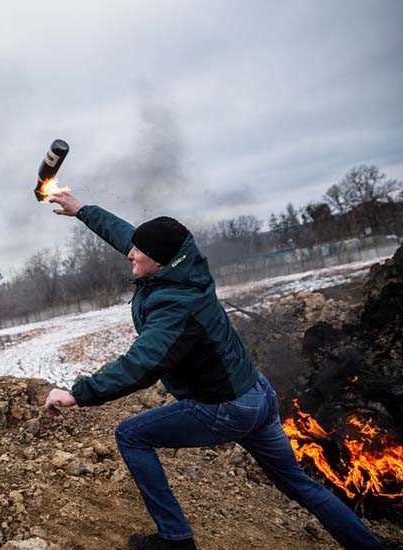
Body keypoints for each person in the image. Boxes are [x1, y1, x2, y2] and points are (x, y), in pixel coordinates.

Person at [42, 191, 384, 550]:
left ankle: (176, 539)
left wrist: (78, 393)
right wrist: (81, 209)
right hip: (257, 395)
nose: (130, 253)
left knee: (131, 435)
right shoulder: (181, 261)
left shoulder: (176, 305)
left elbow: (142, 364)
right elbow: (130, 236)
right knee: (300, 484)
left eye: (138, 252)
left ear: (159, 262)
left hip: (225, 407)